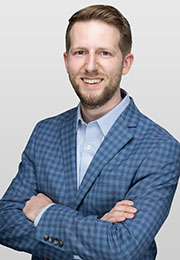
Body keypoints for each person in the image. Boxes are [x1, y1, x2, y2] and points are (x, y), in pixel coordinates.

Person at [0, 4, 179, 260]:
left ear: (125, 63)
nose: (91, 66)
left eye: (105, 53)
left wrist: (45, 214)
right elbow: (5, 219)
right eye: (80, 52)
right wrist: (98, 230)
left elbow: (122, 246)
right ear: (66, 60)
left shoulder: (160, 148)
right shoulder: (44, 132)